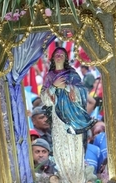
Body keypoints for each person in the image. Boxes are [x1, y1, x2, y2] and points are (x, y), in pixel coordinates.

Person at [40, 47, 97, 183]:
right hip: (58, 119)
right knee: (61, 148)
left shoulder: (72, 74)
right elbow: (44, 99)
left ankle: (78, 179)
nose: (59, 56)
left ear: (66, 58)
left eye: (62, 54)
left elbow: (82, 93)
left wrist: (67, 87)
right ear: (52, 58)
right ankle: (64, 178)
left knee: (74, 149)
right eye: (57, 54)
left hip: (73, 119)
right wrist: (53, 87)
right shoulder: (49, 76)